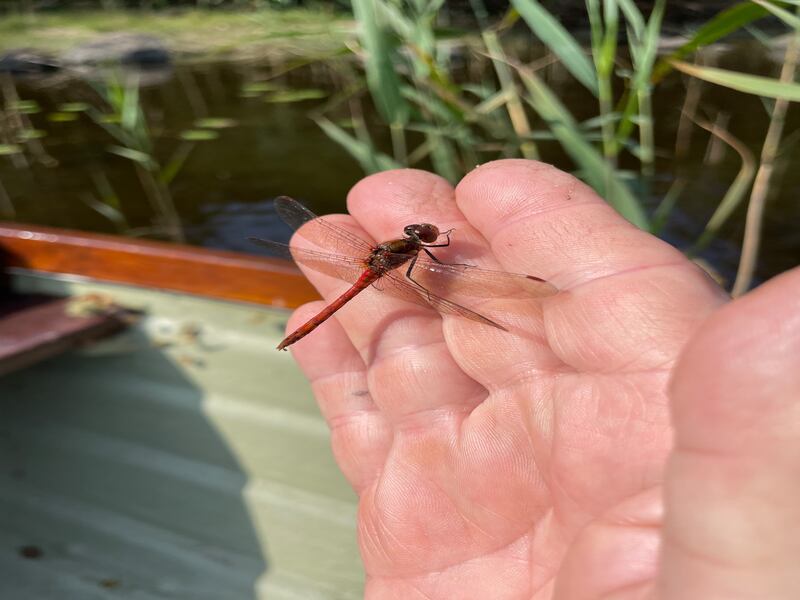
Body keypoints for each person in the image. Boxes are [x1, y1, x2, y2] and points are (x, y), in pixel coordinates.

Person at [283, 160, 800, 599]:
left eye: (420, 236)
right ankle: (305, 331)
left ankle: (303, 331)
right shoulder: (415, 261)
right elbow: (429, 274)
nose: (422, 239)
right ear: (415, 243)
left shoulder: (394, 253)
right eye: (421, 237)